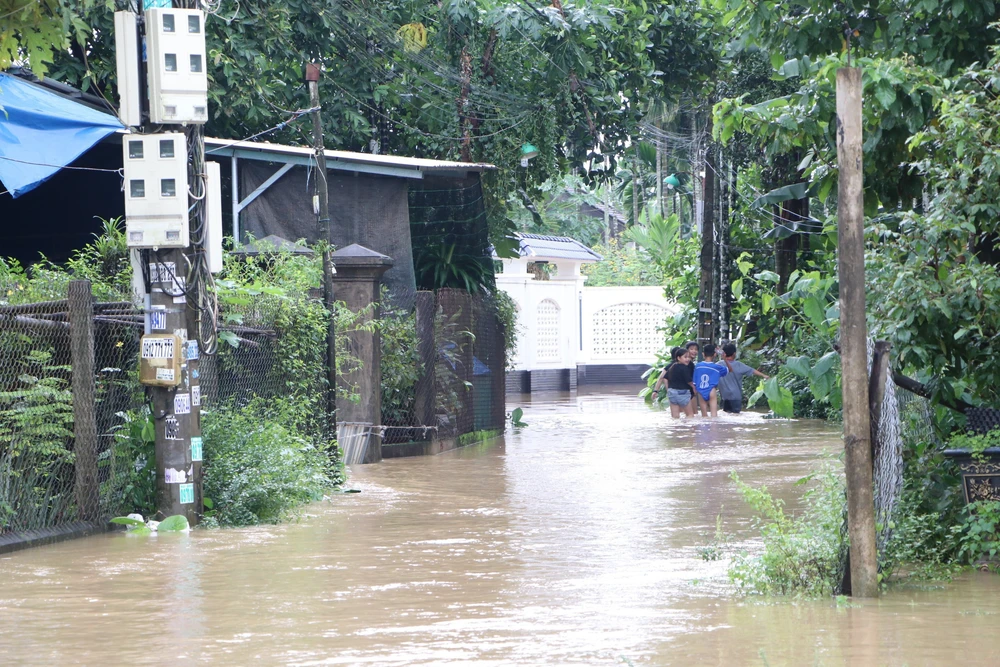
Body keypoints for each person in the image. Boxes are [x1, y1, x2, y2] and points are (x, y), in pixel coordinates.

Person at [717, 342, 770, 414]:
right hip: (735, 398)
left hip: (724, 397)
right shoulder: (739, 365)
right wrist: (764, 375)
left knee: (724, 418)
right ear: (734, 354)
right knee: (735, 418)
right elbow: (752, 370)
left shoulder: (718, 365)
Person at [653, 347, 695, 419]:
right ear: (678, 358)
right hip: (683, 393)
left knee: (675, 417)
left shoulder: (672, 366)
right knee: (690, 415)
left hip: (672, 392)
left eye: (688, 357)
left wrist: (659, 390)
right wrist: (694, 388)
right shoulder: (685, 368)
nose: (688, 359)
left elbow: (664, 377)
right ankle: (687, 430)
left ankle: (675, 430)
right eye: (685, 357)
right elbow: (689, 381)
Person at [693, 343, 728, 418]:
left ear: (703, 354)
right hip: (711, 390)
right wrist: (725, 359)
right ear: (715, 354)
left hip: (701, 390)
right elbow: (729, 370)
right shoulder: (717, 367)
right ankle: (713, 429)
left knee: (704, 416)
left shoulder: (698, 366)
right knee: (714, 416)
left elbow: (694, 382)